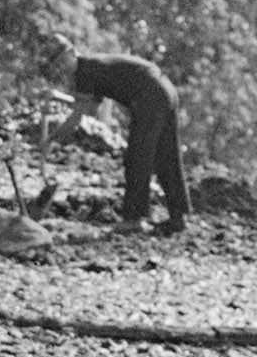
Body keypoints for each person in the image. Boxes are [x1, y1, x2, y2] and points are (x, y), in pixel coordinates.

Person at [65, 47, 187, 233]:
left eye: (62, 61)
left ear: (73, 53)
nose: (61, 67)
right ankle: (178, 217)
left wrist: (54, 137)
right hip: (166, 90)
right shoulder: (93, 64)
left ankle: (133, 219)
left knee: (137, 158)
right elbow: (92, 105)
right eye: (56, 64)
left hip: (150, 94)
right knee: (166, 154)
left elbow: (81, 113)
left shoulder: (84, 70)